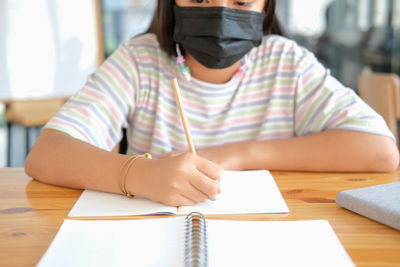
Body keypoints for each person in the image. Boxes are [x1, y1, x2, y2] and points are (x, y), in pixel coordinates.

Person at [25, 0, 399, 207]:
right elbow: (46, 154)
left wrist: (236, 155)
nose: (220, 13)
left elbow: (381, 152)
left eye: (240, 1)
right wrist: (138, 175)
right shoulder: (138, 61)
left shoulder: (288, 63)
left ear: (265, 6)